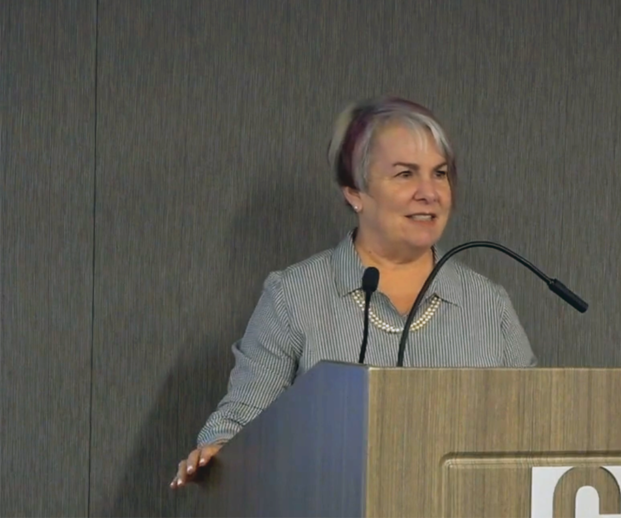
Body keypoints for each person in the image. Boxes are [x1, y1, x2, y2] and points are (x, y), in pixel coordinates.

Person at [170, 96, 538, 488]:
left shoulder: (487, 304)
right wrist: (220, 451)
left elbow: (537, 428)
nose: (430, 192)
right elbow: (241, 424)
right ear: (354, 192)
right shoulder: (294, 297)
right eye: (405, 174)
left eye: (440, 173)